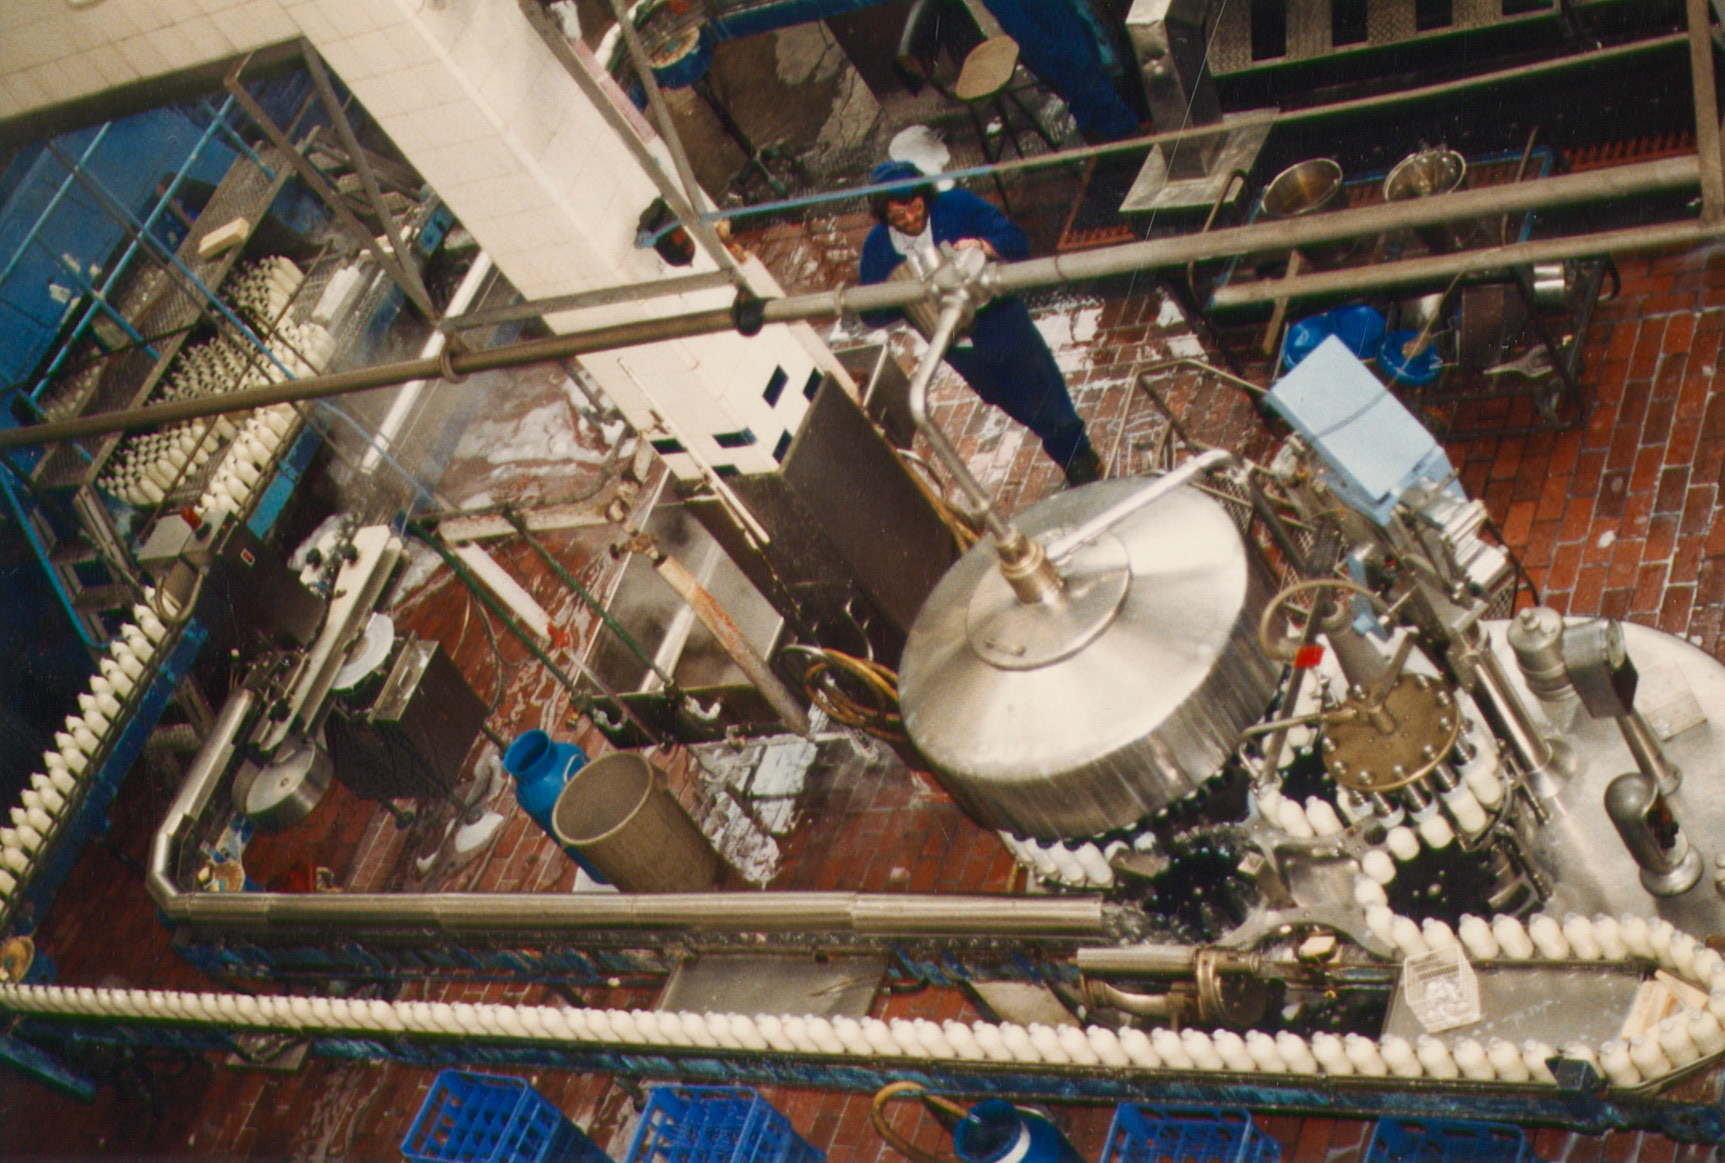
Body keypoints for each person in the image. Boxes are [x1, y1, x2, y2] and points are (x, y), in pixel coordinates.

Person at [857, 161, 1104, 487]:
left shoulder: (956, 205)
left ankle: (1079, 457)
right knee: (1009, 399)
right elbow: (869, 312)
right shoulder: (878, 247)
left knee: (1042, 389)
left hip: (1001, 321)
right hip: (958, 346)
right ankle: (1068, 447)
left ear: (924, 195)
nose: (912, 219)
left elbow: (1015, 239)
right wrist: (902, 293)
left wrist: (982, 246)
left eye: (915, 207)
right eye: (898, 217)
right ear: (884, 216)